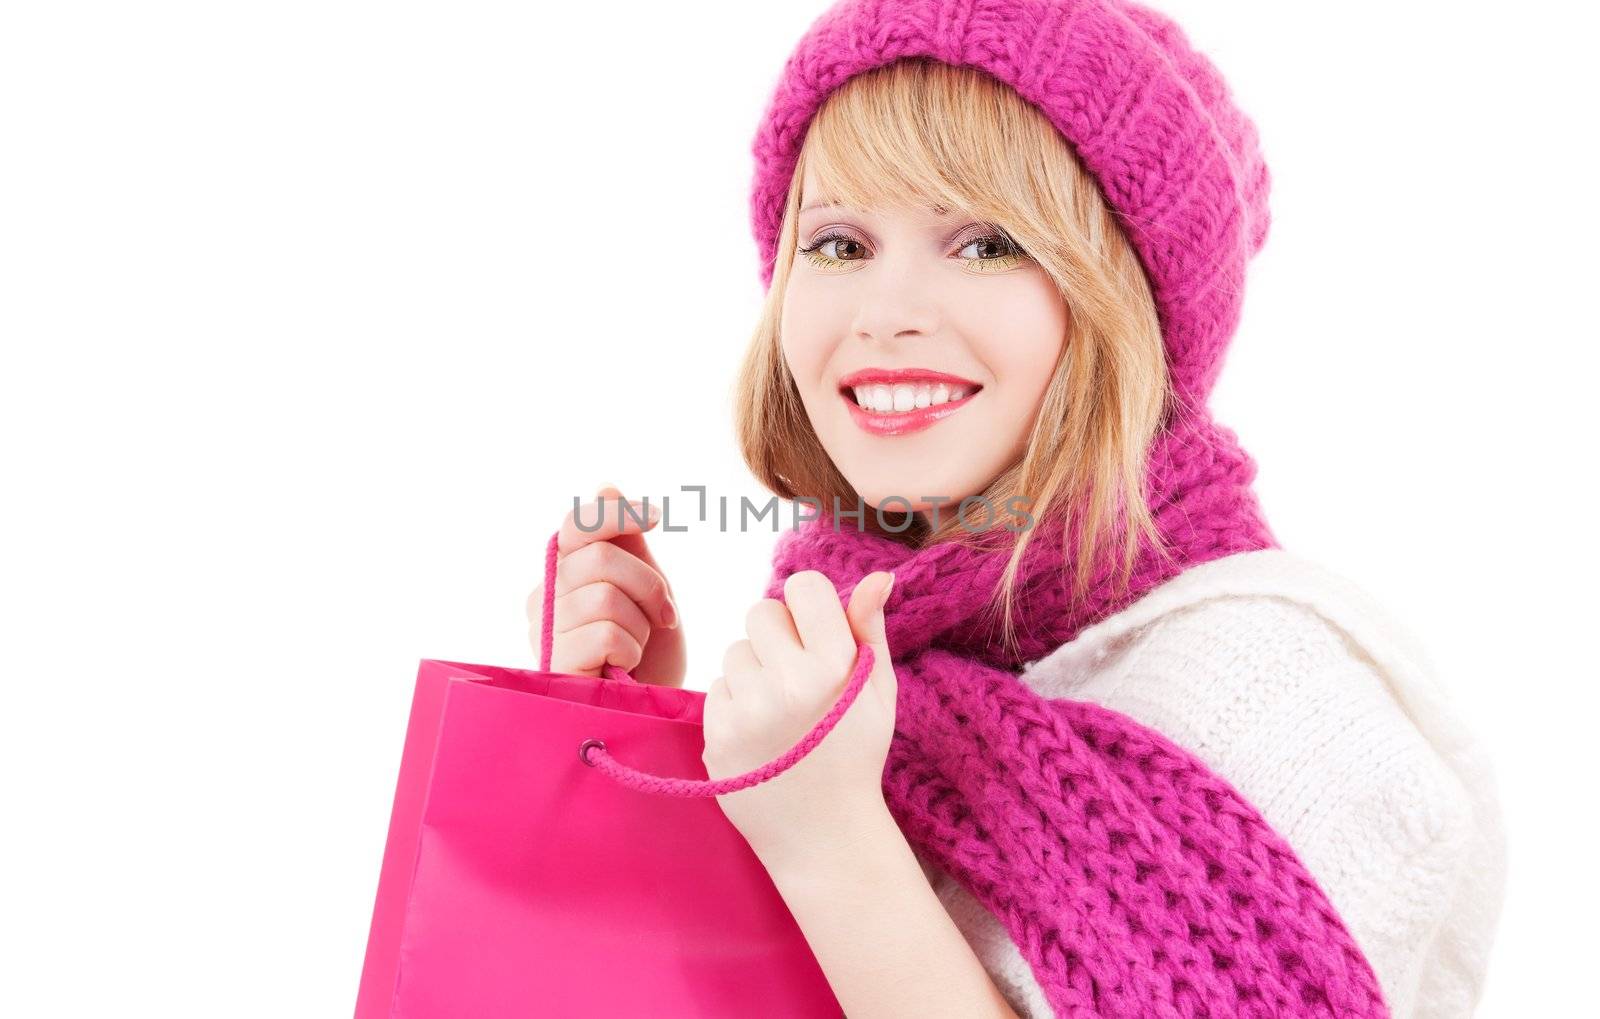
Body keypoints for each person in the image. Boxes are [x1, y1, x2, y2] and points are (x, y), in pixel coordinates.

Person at [528, 2, 1506, 1015]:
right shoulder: (868, 661)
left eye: (987, 242)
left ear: (1122, 301)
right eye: (837, 242)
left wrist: (830, 838)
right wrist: (637, 734)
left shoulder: (1283, 688)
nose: (884, 310)